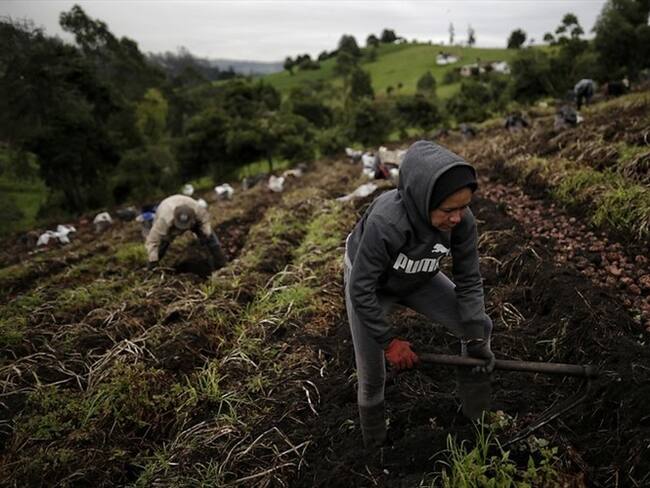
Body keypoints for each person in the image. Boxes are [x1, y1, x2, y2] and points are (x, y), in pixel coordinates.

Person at [343, 140, 495, 448]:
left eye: (463, 207)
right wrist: (388, 341)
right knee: (372, 373)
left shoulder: (462, 223)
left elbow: (468, 278)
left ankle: (477, 418)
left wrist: (476, 338)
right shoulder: (387, 222)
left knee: (480, 327)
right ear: (421, 200)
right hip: (374, 285)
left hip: (419, 276)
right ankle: (374, 447)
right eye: (448, 210)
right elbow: (360, 288)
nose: (456, 218)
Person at [145, 194, 226, 270]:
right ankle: (152, 268)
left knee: (210, 238)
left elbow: (205, 221)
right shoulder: (164, 220)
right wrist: (153, 259)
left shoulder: (198, 210)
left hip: (191, 216)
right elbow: (153, 240)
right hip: (167, 210)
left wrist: (206, 234)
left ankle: (221, 262)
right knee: (163, 242)